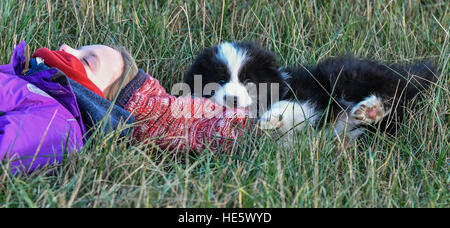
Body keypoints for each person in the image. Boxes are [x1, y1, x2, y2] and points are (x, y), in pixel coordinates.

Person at [32, 44, 251, 153]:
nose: (65, 48)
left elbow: (202, 125)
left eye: (87, 62)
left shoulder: (144, 115)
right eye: (80, 49)